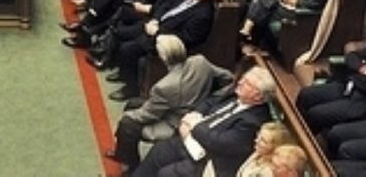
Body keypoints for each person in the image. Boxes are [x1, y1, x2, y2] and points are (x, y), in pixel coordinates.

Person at [107, 35, 233, 171]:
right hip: (195, 111)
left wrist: (127, 115)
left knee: (127, 124)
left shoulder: (164, 87)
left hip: (173, 122)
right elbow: (228, 77)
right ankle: (123, 153)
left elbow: (148, 115)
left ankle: (131, 165)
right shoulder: (200, 61)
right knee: (133, 103)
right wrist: (214, 99)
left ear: (163, 57)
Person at [132, 66, 276, 177]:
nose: (240, 82)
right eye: (243, 79)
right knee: (160, 150)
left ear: (257, 96)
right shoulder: (236, 95)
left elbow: (219, 143)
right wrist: (196, 113)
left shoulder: (254, 122)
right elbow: (210, 101)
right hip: (193, 140)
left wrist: (194, 126)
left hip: (209, 161)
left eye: (247, 83)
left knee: (167, 174)